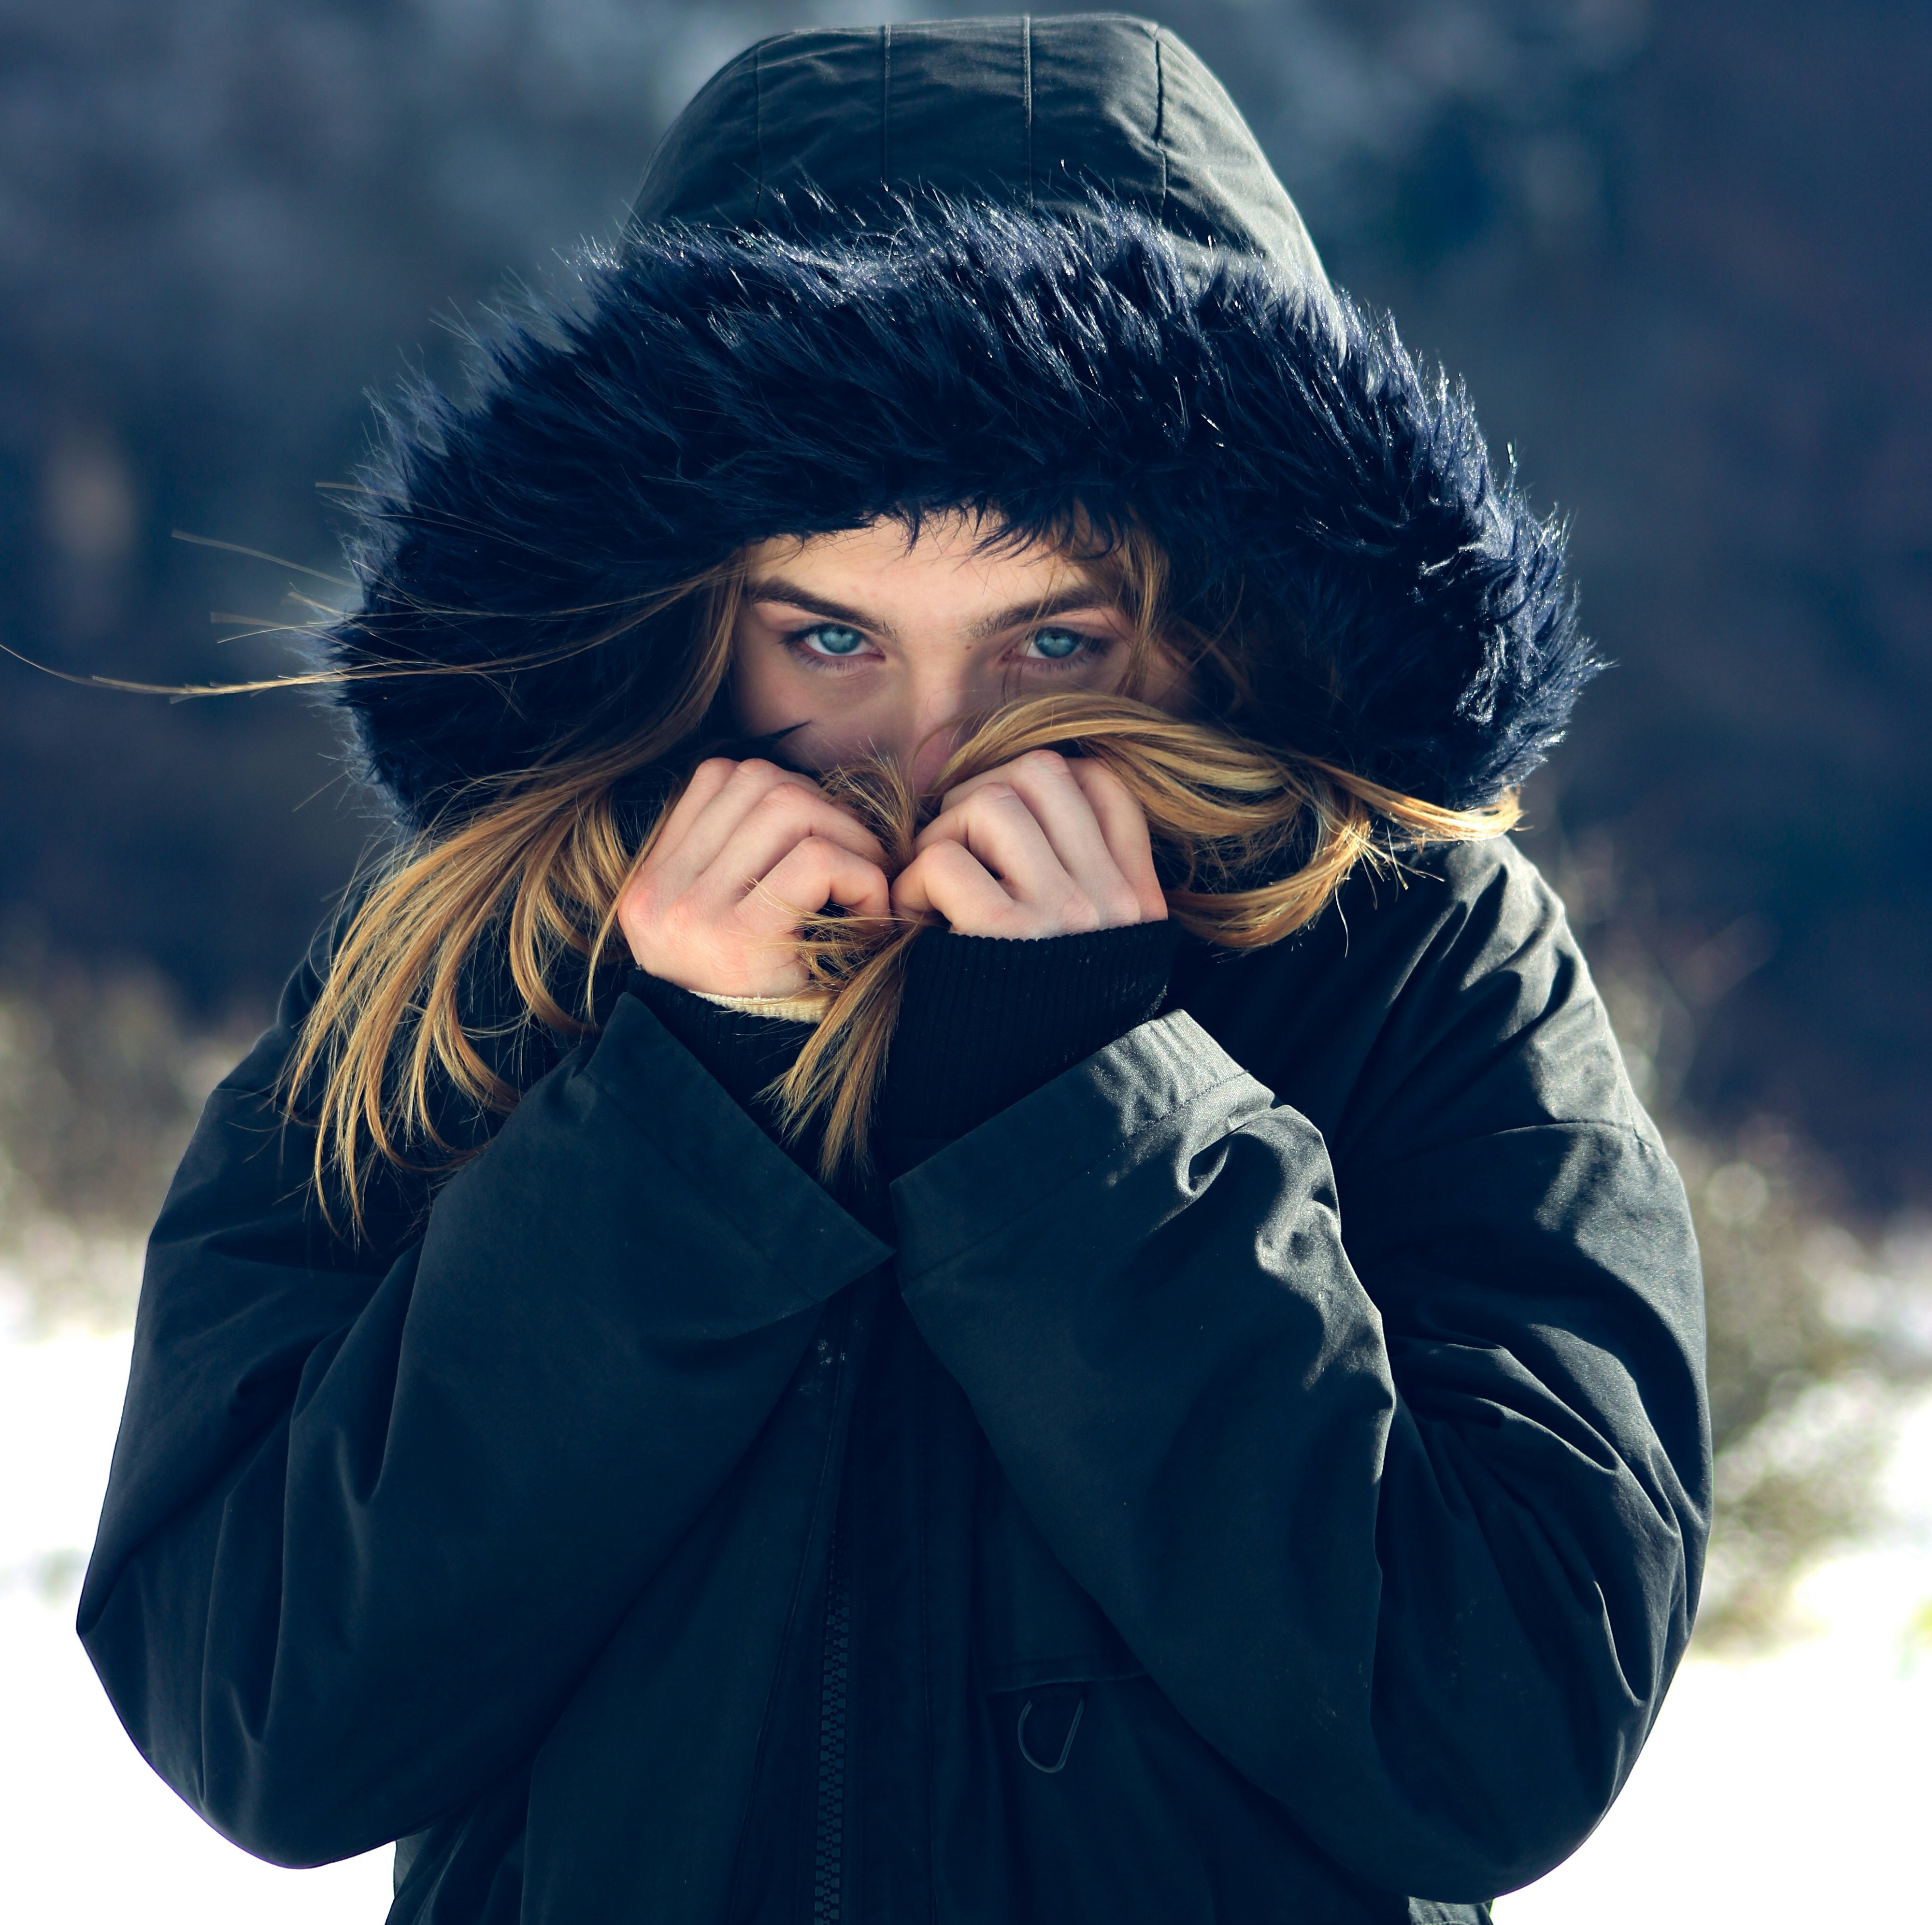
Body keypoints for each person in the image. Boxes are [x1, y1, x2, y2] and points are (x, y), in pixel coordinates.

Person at [78, 18, 1708, 1925]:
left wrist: (1091, 1112)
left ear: (1210, 617)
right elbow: (268, 1712)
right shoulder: (483, 955)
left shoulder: (1412, 952)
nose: (931, 748)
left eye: (1051, 638)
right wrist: (680, 1109)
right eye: (831, 634)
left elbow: (1493, 1734)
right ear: (685, 616)